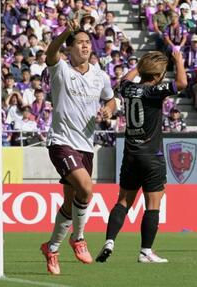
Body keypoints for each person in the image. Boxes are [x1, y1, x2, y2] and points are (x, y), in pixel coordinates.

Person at [40, 16, 116, 275]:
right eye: (79, 42)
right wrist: (64, 33)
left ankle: (51, 248)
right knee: (86, 188)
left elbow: (111, 100)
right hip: (61, 142)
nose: (85, 46)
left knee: (72, 202)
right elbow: (50, 53)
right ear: (70, 48)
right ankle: (79, 237)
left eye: (87, 42)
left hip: (86, 146)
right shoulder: (60, 69)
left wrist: (107, 110)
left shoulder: (100, 75)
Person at [96, 51, 187, 263]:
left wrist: (140, 65)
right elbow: (182, 83)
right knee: (153, 204)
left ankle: (110, 240)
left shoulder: (128, 89)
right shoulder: (154, 91)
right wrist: (179, 61)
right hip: (151, 155)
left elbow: (124, 79)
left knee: (123, 201)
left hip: (130, 154)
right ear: (158, 76)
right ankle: (146, 251)